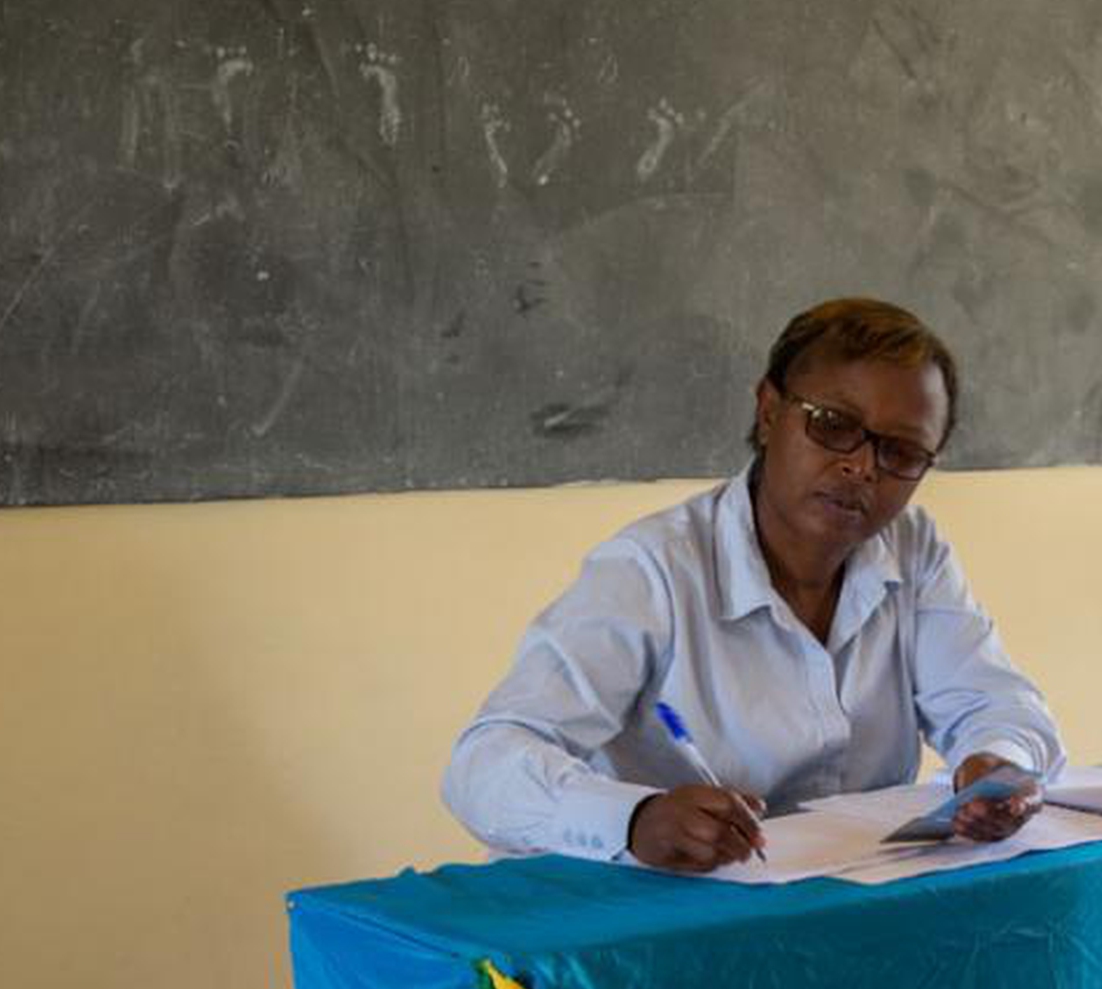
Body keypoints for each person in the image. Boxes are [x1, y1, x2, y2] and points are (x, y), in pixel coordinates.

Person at [443, 296, 1065, 872]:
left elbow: (995, 702)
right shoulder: (653, 569)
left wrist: (998, 763)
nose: (860, 467)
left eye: (901, 453)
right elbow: (484, 763)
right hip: (648, 923)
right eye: (833, 424)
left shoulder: (913, 549)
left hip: (831, 908)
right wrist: (632, 819)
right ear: (769, 413)